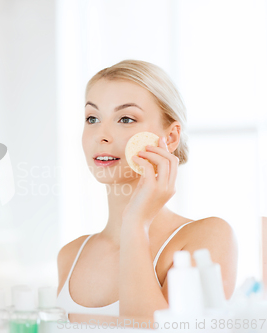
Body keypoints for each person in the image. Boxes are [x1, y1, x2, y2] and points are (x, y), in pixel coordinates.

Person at [56, 59, 238, 320]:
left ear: (171, 138)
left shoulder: (207, 238)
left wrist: (135, 223)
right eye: (92, 118)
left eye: (126, 119)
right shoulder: (70, 255)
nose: (101, 135)